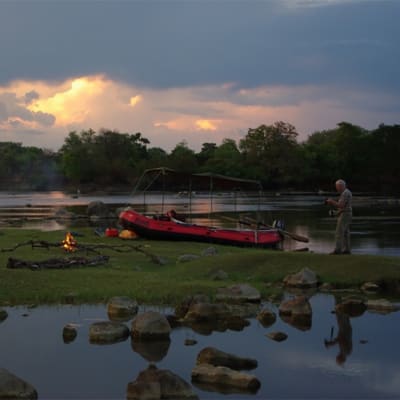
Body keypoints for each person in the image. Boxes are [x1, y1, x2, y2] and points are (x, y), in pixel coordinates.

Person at [325, 179, 352, 255]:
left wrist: (331, 201)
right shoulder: (345, 192)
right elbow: (344, 207)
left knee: (339, 232)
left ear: (341, 186)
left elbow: (341, 205)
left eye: (337, 187)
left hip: (345, 214)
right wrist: (336, 213)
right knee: (345, 232)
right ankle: (347, 250)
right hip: (346, 213)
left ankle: (337, 250)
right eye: (336, 187)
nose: (337, 189)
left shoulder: (345, 193)